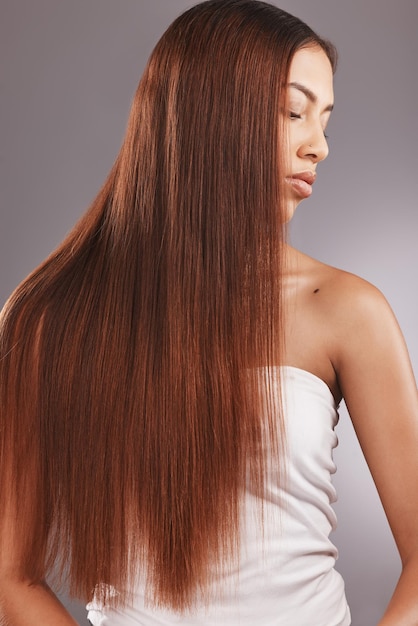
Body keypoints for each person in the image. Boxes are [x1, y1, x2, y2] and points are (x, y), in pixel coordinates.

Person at [0, 0, 417, 624]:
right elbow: (12, 578)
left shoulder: (345, 311)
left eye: (326, 119)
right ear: (209, 113)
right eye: (293, 112)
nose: (320, 147)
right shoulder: (51, 317)